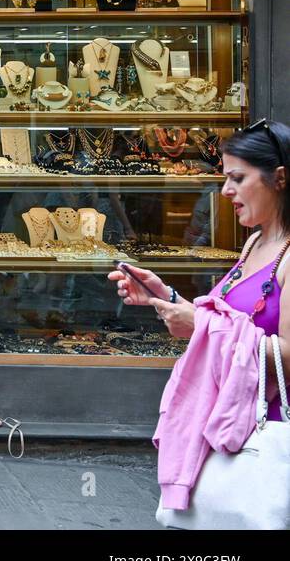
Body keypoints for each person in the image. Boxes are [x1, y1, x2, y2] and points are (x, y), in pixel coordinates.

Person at [110, 118, 290, 414]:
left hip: (267, 429)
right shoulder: (254, 244)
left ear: (279, 178)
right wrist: (165, 296)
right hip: (232, 418)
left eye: (238, 178)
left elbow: (288, 357)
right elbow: (224, 325)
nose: (225, 191)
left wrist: (200, 324)